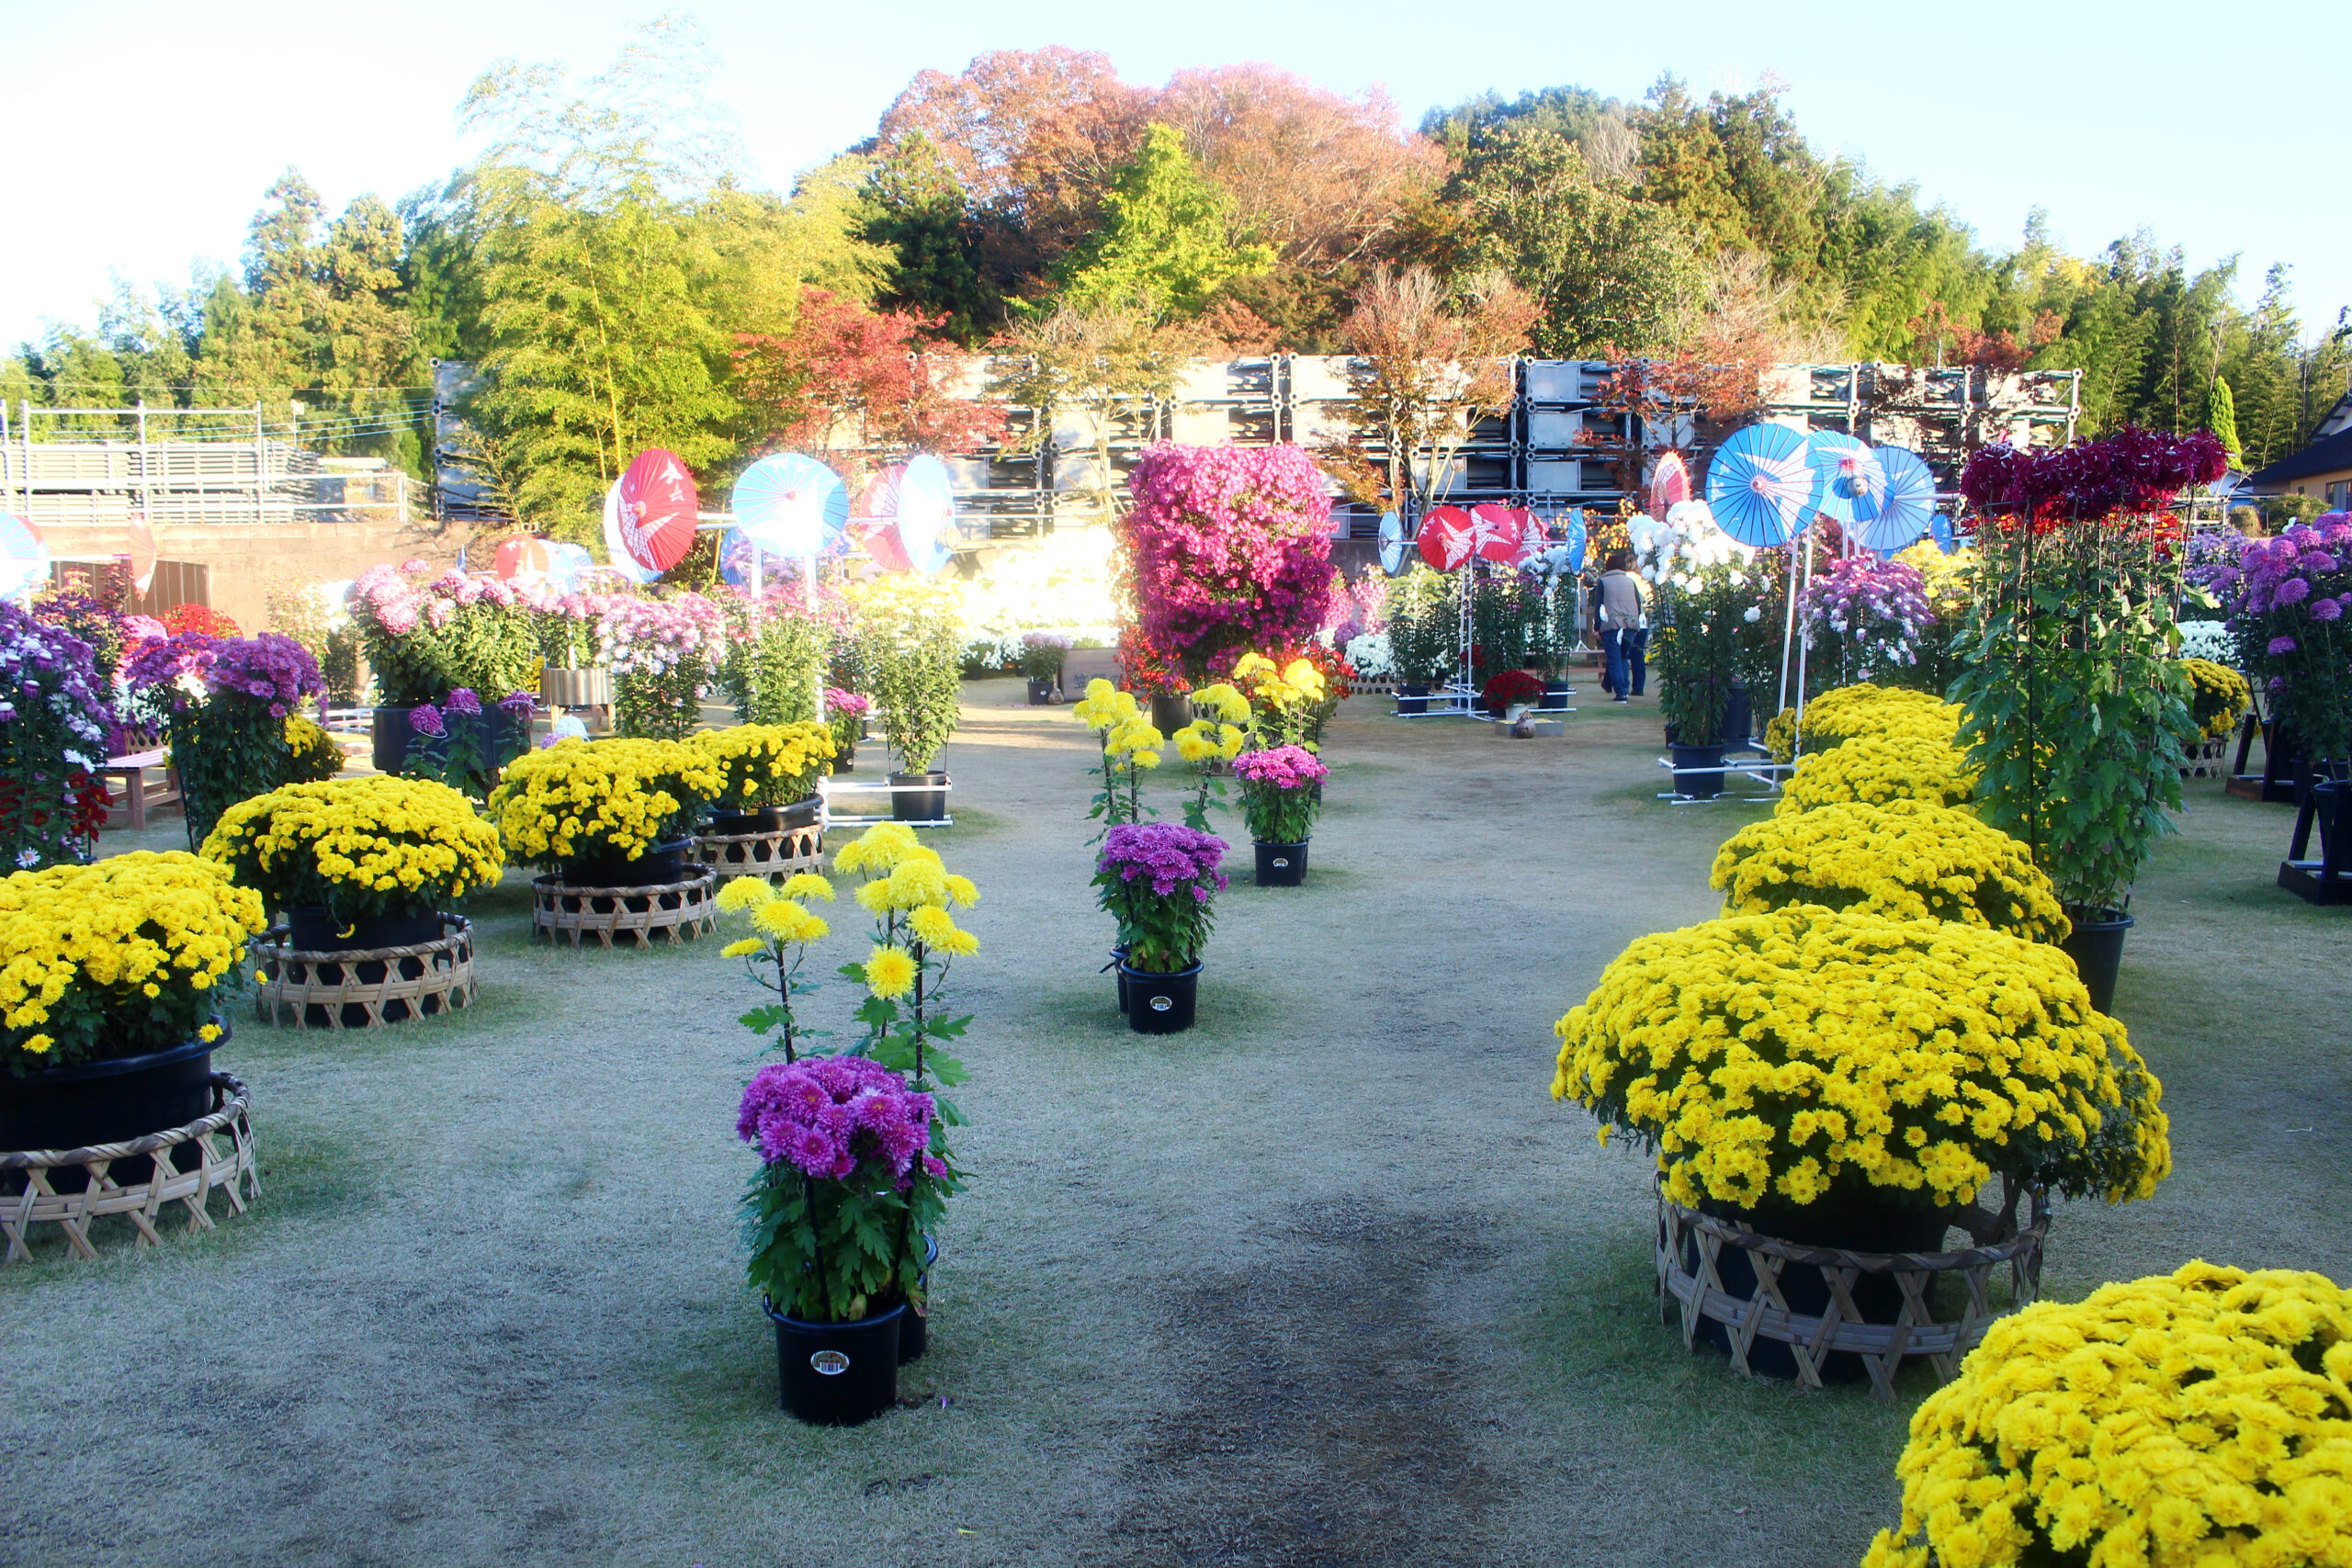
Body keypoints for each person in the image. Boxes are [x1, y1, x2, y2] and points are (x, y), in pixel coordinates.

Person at [1596, 550, 1649, 704]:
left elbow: (1599, 606)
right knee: (1623, 657)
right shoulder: (1630, 581)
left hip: (1612, 624)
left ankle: (1620, 692)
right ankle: (1623, 687)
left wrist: (1598, 626)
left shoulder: (1603, 582)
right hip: (1630, 625)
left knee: (1613, 658)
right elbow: (1638, 605)